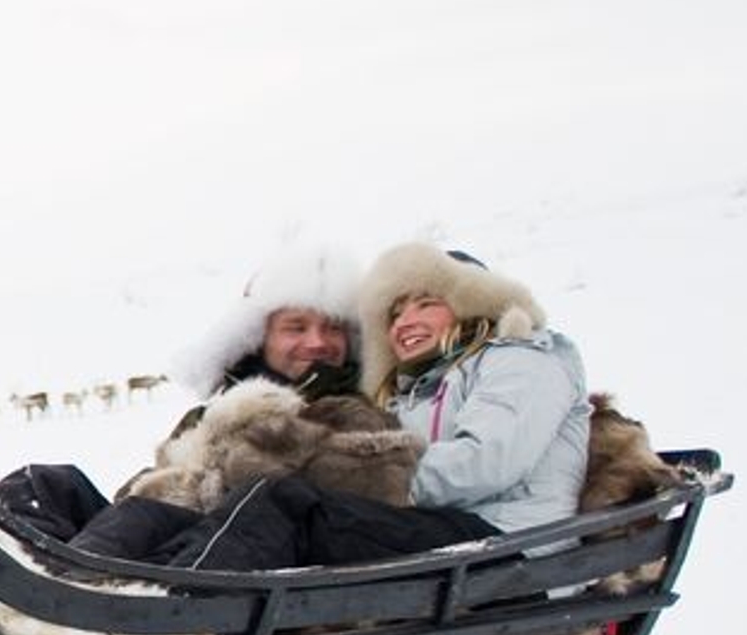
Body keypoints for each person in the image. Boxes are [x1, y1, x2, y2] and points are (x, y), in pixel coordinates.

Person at [158, 242, 592, 575]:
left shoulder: (521, 359)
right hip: (455, 535)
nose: (405, 321)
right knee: (165, 511)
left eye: (426, 303)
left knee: (285, 501)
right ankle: (127, 583)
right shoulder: (416, 390)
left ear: (472, 302)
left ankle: (179, 597)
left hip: (508, 545)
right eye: (395, 313)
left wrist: (352, 478)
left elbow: (485, 463)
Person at [0, 245, 407, 559]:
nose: (316, 342)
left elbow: (351, 505)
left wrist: (252, 448)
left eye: (332, 329)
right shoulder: (209, 413)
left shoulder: (353, 411)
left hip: (245, 570)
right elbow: (137, 497)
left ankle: (70, 590)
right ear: (258, 337)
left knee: (142, 517)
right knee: (41, 483)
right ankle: (13, 575)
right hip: (165, 548)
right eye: (295, 327)